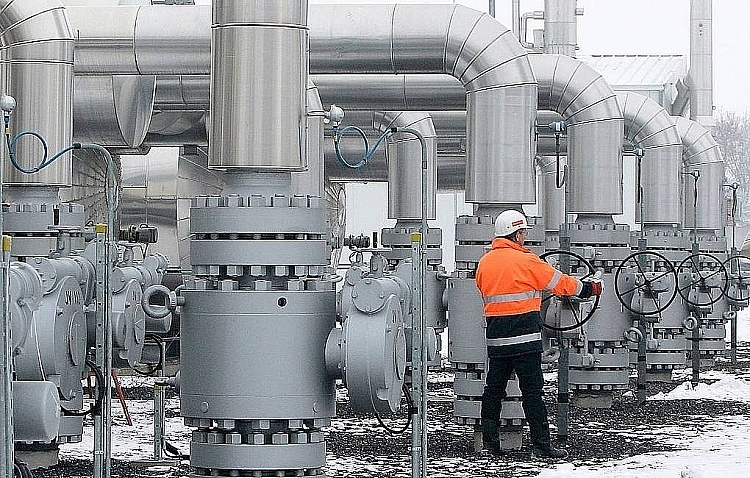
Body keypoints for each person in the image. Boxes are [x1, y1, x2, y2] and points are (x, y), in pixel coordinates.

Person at [475, 210, 603, 459]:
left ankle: (490, 443)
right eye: (523, 232)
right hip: (525, 339)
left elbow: (485, 289)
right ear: (516, 234)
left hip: (497, 338)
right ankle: (542, 446)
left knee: (493, 391)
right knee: (532, 393)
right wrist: (590, 288)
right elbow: (561, 283)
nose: (525, 236)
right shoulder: (527, 261)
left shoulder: (485, 263)